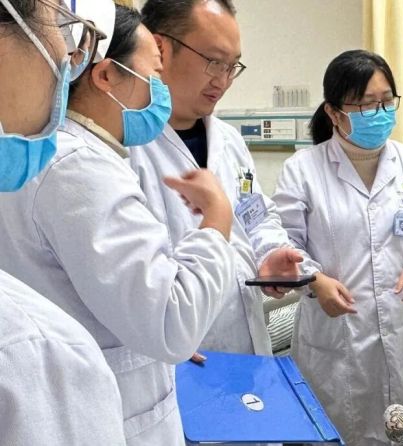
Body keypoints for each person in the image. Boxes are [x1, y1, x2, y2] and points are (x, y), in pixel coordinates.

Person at [0, 3, 238, 445]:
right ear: (106, 75)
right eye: (155, 74)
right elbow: (170, 321)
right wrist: (216, 222)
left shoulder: (46, 153)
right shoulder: (78, 166)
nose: (161, 91)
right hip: (115, 412)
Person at [272, 49, 403, 445]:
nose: (380, 113)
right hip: (336, 339)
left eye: (387, 101)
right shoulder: (303, 170)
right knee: (341, 433)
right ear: (334, 112)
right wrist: (315, 280)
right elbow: (283, 242)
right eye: (367, 104)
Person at [130, 0, 301, 356]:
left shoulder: (229, 141)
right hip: (173, 350)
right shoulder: (127, 146)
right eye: (213, 61)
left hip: (244, 345)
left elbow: (256, 216)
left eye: (232, 66)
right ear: (160, 48)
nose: (223, 81)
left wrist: (269, 256)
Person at [0, 0, 125, 444]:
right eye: (62, 25)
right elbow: (166, 318)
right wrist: (214, 229)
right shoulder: (31, 352)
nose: (69, 58)